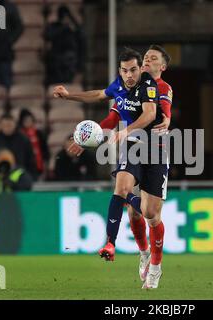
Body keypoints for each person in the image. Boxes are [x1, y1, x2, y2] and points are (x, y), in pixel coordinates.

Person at [53, 47, 167, 289]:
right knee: (122, 188)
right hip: (133, 147)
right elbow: (98, 96)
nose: (129, 75)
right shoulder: (119, 85)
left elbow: (149, 115)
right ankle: (112, 244)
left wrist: (126, 130)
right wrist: (69, 96)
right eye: (125, 70)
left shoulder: (149, 85)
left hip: (155, 149)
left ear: (141, 69)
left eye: (134, 69)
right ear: (120, 70)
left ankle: (155, 265)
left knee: (149, 214)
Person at [0, 0, 24, 94]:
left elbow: (19, 27)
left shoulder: (9, 7)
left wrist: (9, 41)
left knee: (6, 85)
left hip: (4, 54)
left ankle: (8, 106)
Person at [0, 113, 37, 179]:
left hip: (20, 174)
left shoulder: (23, 140)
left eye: (9, 125)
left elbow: (31, 162)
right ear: (0, 126)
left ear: (15, 125)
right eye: (5, 125)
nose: (7, 128)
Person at [44, 5, 85, 86]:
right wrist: (63, 27)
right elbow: (48, 36)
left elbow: (82, 42)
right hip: (56, 62)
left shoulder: (74, 27)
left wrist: (72, 25)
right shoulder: (54, 26)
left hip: (70, 62)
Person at [17, 108, 49, 179]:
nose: (28, 122)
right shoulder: (18, 135)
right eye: (26, 121)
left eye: (30, 120)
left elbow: (45, 150)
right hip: (24, 166)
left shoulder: (39, 133)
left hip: (38, 166)